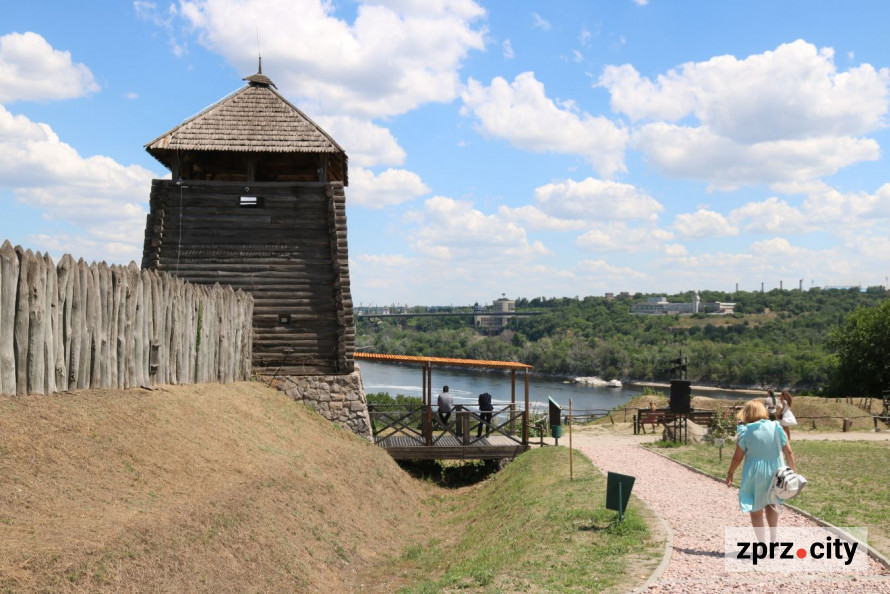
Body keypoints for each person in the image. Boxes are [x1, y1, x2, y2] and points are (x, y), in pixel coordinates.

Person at [725, 399, 797, 543]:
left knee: (756, 511)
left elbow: (737, 458)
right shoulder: (777, 427)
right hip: (775, 471)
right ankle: (773, 540)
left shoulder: (745, 432)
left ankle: (762, 544)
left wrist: (730, 473)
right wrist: (792, 472)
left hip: (754, 474)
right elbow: (788, 452)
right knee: (772, 505)